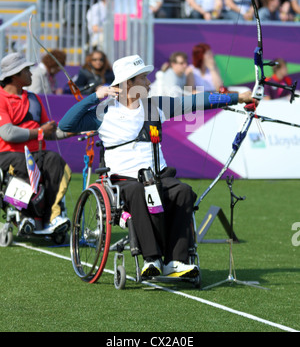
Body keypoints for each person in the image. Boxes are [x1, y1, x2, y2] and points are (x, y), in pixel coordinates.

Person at [58, 53, 255, 278]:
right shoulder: (104, 111)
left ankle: (176, 262)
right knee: (139, 192)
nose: (149, 83)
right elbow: (67, 124)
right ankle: (151, 259)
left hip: (158, 175)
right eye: (143, 78)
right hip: (124, 181)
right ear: (128, 83)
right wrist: (94, 96)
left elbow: (196, 102)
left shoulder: (155, 105)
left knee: (183, 192)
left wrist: (237, 97)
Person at [0, 52, 72, 235]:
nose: (31, 74)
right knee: (26, 165)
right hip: (7, 155)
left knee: (56, 162)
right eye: (27, 70)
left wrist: (76, 131)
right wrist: (39, 132)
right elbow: (7, 133)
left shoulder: (33, 98)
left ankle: (52, 217)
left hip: (35, 153)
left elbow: (49, 132)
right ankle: (24, 215)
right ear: (15, 75)